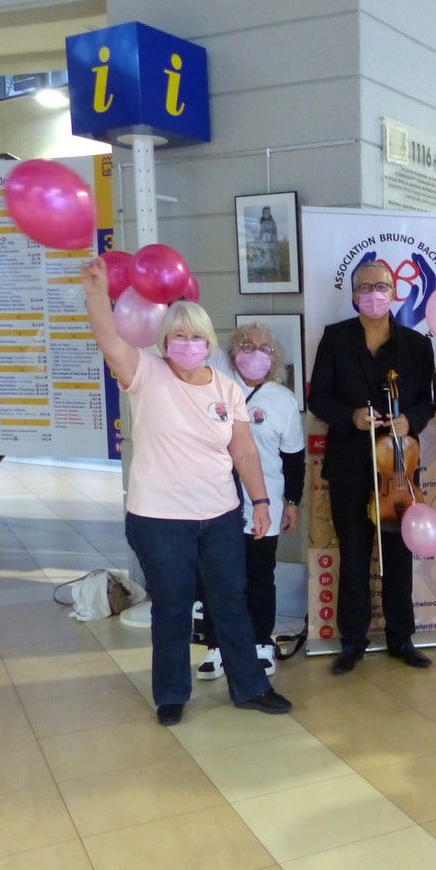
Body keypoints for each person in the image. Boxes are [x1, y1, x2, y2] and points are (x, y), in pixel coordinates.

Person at [79, 259, 292, 726]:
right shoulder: (146, 374)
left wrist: (260, 503)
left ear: (209, 343)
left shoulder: (227, 387)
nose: (188, 344)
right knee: (173, 605)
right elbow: (110, 343)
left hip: (219, 515)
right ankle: (172, 693)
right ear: (164, 342)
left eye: (196, 337)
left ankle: (251, 686)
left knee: (230, 600)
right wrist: (97, 294)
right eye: (178, 336)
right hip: (159, 519)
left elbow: (244, 452)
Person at [308, 259, 436, 674]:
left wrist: (410, 421)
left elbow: (428, 399)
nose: (373, 294)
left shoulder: (417, 345)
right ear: (353, 294)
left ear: (394, 292)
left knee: (398, 554)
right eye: (365, 288)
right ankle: (353, 642)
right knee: (354, 554)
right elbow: (318, 399)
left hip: (398, 470)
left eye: (381, 287)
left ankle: (402, 638)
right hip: (350, 464)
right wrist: (352, 416)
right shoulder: (335, 338)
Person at [195, 323, 305, 681]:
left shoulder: (282, 400)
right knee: (217, 578)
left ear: (274, 359)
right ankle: (216, 646)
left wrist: (292, 502)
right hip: (216, 503)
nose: (255, 353)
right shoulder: (216, 390)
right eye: (247, 345)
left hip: (265, 502)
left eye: (265, 348)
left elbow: (293, 457)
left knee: (259, 577)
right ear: (232, 352)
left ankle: (261, 643)